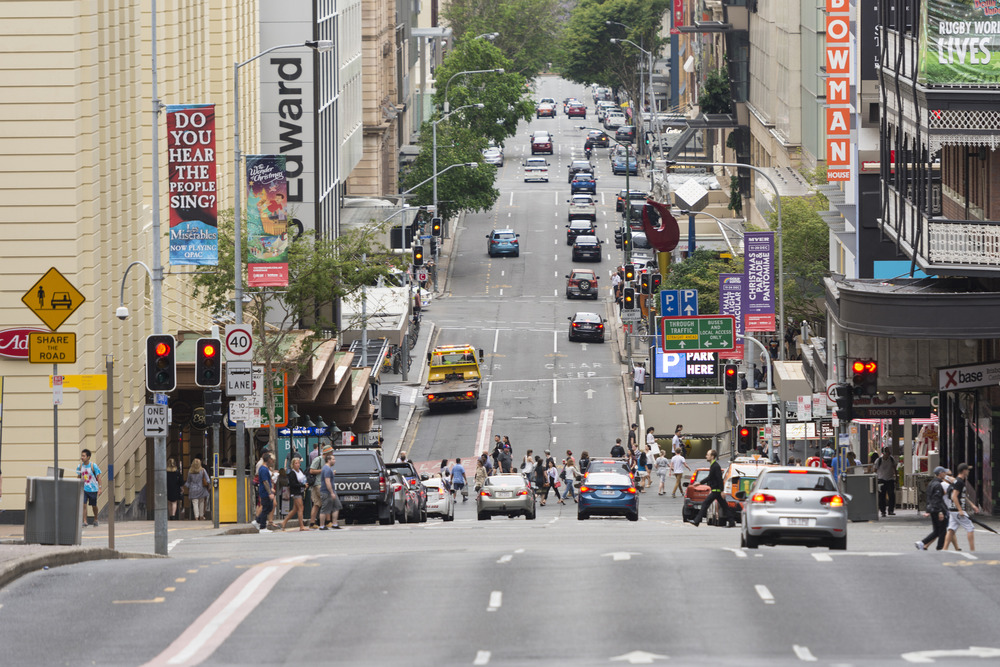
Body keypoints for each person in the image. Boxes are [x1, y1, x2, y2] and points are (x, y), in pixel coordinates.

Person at [690, 449, 735, 528]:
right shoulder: (713, 465)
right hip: (716, 491)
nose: (706, 456)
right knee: (725, 507)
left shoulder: (715, 466)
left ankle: (696, 521)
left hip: (716, 491)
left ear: (712, 456)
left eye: (708, 455)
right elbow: (711, 477)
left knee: (705, 504)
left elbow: (719, 479)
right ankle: (731, 522)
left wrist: (722, 491)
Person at [945, 463, 980, 552]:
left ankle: (944, 549)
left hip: (953, 510)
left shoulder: (957, 481)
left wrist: (972, 505)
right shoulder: (959, 482)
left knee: (951, 529)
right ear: (964, 471)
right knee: (970, 528)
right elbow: (954, 496)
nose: (968, 471)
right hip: (957, 510)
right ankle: (972, 550)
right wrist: (960, 510)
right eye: (967, 470)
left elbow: (962, 496)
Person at [916, 466, 949, 551]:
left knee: (937, 531)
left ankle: (923, 543)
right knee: (942, 530)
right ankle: (939, 547)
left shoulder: (931, 483)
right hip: (938, 509)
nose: (945, 474)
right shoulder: (937, 485)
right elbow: (937, 499)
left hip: (933, 509)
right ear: (940, 473)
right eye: (944, 473)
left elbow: (929, 497)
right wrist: (940, 512)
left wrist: (928, 510)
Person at [308, 444, 334, 528]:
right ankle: (328, 522)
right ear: (327, 453)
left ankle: (312, 523)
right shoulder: (318, 459)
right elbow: (311, 471)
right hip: (319, 484)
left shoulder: (327, 461)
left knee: (317, 504)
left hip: (319, 484)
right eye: (331, 452)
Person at [281, 456, 309, 531]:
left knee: (294, 510)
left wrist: (305, 484)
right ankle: (301, 526)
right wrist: (303, 485)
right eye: (296, 463)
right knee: (300, 508)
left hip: (301, 491)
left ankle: (284, 522)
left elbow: (303, 479)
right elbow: (293, 484)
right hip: (296, 492)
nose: (297, 464)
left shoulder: (300, 471)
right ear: (293, 464)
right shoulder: (292, 473)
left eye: (298, 463)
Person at [77, 449, 102, 527]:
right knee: (84, 504)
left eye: (84, 456)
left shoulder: (93, 466)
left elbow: (99, 477)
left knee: (94, 505)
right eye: (82, 455)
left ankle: (96, 519)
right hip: (83, 489)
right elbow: (78, 477)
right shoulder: (80, 466)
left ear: (88, 457)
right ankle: (85, 521)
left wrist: (100, 488)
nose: (82, 457)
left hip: (93, 489)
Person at [318, 453, 342, 530]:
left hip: (331, 491)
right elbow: (327, 481)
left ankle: (334, 524)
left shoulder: (328, 469)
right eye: (333, 459)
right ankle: (322, 525)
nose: (334, 461)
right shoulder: (327, 469)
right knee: (324, 508)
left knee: (336, 506)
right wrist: (331, 492)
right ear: (328, 460)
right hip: (326, 492)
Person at [875, 447, 898, 517]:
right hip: (881, 479)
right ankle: (883, 511)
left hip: (890, 479)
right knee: (882, 496)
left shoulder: (891, 459)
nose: (889, 453)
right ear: (884, 452)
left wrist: (896, 477)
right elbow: (874, 470)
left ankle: (891, 510)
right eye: (887, 451)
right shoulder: (878, 460)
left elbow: (894, 468)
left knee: (892, 495)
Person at [256, 453, 275, 532]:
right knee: (266, 508)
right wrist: (269, 492)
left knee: (269, 507)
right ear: (268, 460)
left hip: (266, 491)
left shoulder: (265, 468)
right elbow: (265, 482)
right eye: (271, 460)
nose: (272, 462)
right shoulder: (263, 469)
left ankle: (257, 521)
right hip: (265, 492)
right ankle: (262, 527)